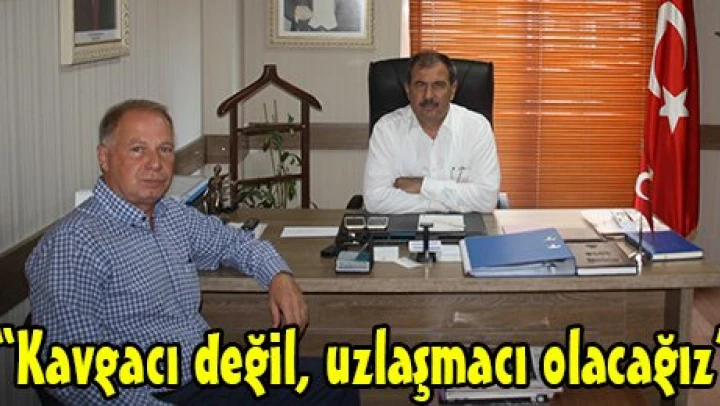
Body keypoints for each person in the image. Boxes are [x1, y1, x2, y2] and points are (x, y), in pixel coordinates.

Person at [25, 99, 359, 405]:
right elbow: (76, 378)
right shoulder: (72, 245)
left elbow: (234, 242)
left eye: (165, 149)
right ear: (104, 157)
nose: (155, 163)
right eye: (138, 150)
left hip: (208, 373)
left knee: (336, 381)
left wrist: (279, 275)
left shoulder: (170, 214)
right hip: (153, 394)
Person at [363, 50, 501, 214]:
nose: (428, 95)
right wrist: (446, 203)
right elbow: (375, 199)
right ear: (408, 89)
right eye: (420, 85)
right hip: (403, 227)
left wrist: (423, 185)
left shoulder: (477, 128)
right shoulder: (386, 130)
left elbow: (486, 199)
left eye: (438, 85)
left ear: (453, 90)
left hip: (466, 226)